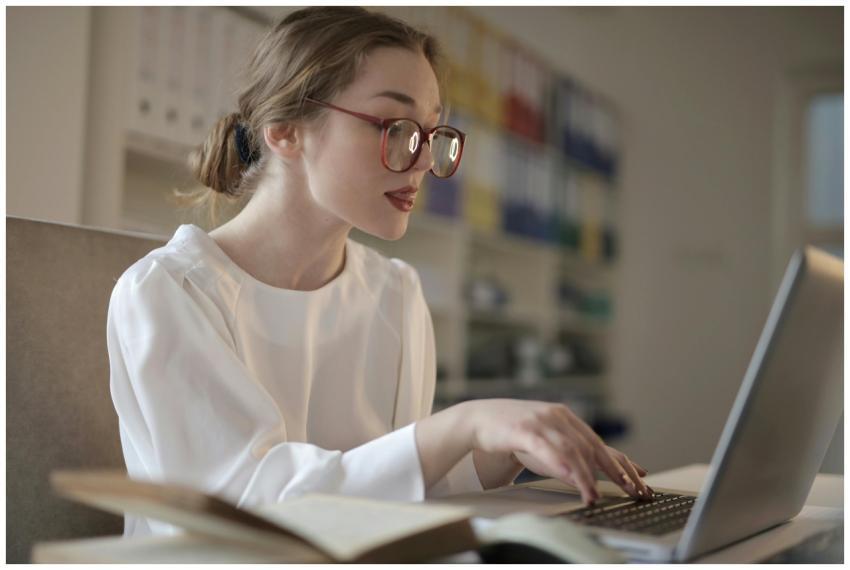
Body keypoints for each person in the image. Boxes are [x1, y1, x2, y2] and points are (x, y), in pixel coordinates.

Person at [107, 6, 650, 537]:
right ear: (285, 130)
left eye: (431, 134)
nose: (420, 162)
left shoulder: (396, 292)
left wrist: (500, 446)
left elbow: (395, 492)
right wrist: (461, 423)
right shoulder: (168, 292)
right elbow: (249, 514)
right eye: (394, 125)